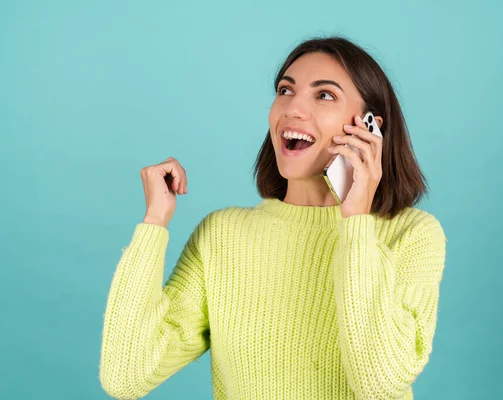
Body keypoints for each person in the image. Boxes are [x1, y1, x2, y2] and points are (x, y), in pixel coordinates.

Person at [99, 36, 448, 400]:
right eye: (285, 90)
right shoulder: (223, 235)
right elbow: (125, 375)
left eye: (324, 95)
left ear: (369, 128)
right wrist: (154, 223)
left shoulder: (411, 235)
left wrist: (356, 222)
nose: (292, 109)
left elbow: (380, 381)